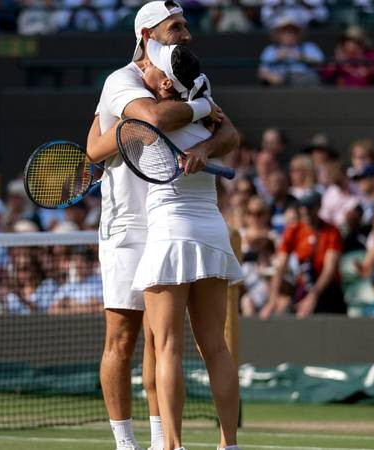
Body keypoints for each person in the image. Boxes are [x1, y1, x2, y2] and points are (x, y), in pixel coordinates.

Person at [84, 2, 241, 449]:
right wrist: (199, 109)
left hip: (171, 222)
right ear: (148, 35)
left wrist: (206, 146)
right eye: (177, 26)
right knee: (124, 336)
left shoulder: (191, 79)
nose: (187, 33)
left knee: (162, 340)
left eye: (187, 25)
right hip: (128, 223)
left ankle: (160, 442)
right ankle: (125, 443)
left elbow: (230, 133)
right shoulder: (121, 81)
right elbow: (131, 129)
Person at [127, 41, 243, 450]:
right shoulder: (206, 112)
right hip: (212, 231)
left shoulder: (151, 113)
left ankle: (173, 446)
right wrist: (205, 143)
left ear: (164, 81)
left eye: (150, 68)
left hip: (170, 235)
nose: (141, 70)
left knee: (167, 346)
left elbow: (99, 145)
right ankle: (229, 444)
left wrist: (202, 149)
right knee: (216, 345)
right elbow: (231, 131)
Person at [262, 191, 345, 319]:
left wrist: (313, 296)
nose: (305, 211)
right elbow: (281, 266)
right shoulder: (294, 230)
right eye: (303, 207)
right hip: (304, 285)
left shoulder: (331, 232)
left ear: (318, 207)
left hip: (327, 288)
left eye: (310, 207)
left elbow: (329, 269)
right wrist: (272, 300)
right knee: (288, 311)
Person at [257, 14, 323, 87]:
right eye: (285, 32)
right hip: (281, 85)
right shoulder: (270, 50)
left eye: (294, 31)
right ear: (278, 34)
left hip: (306, 83)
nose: (290, 35)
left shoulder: (309, 47)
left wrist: (301, 57)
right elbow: (262, 73)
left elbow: (321, 65)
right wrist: (276, 59)